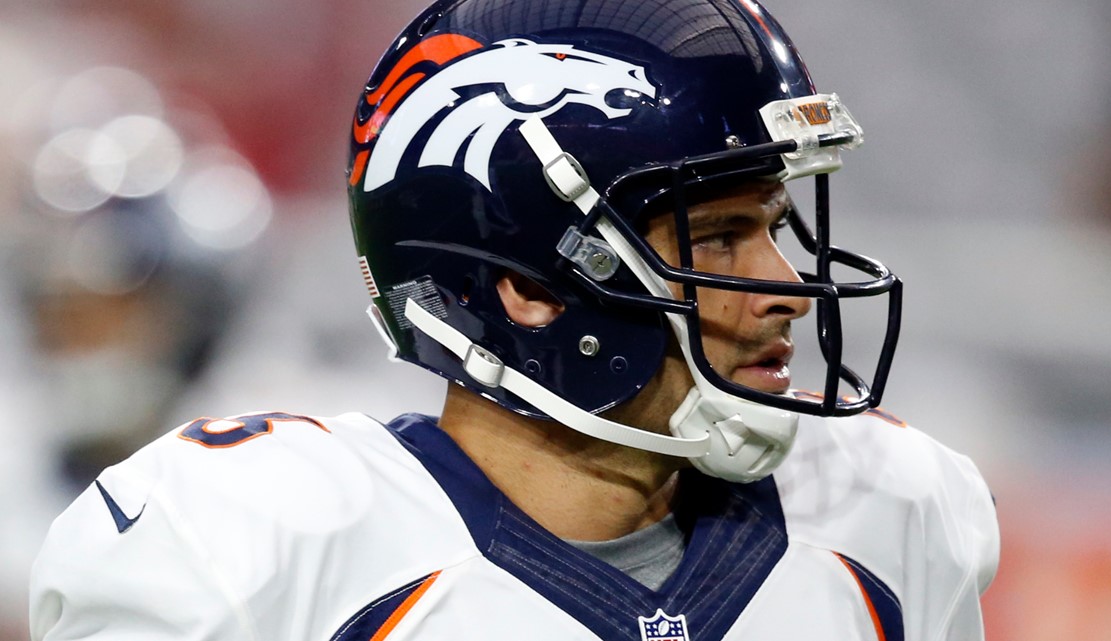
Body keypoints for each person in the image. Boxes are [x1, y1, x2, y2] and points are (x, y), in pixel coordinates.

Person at [29, 0, 1000, 639]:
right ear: (525, 287)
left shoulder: (890, 511)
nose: (784, 284)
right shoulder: (251, 550)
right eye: (716, 238)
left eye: (775, 227)